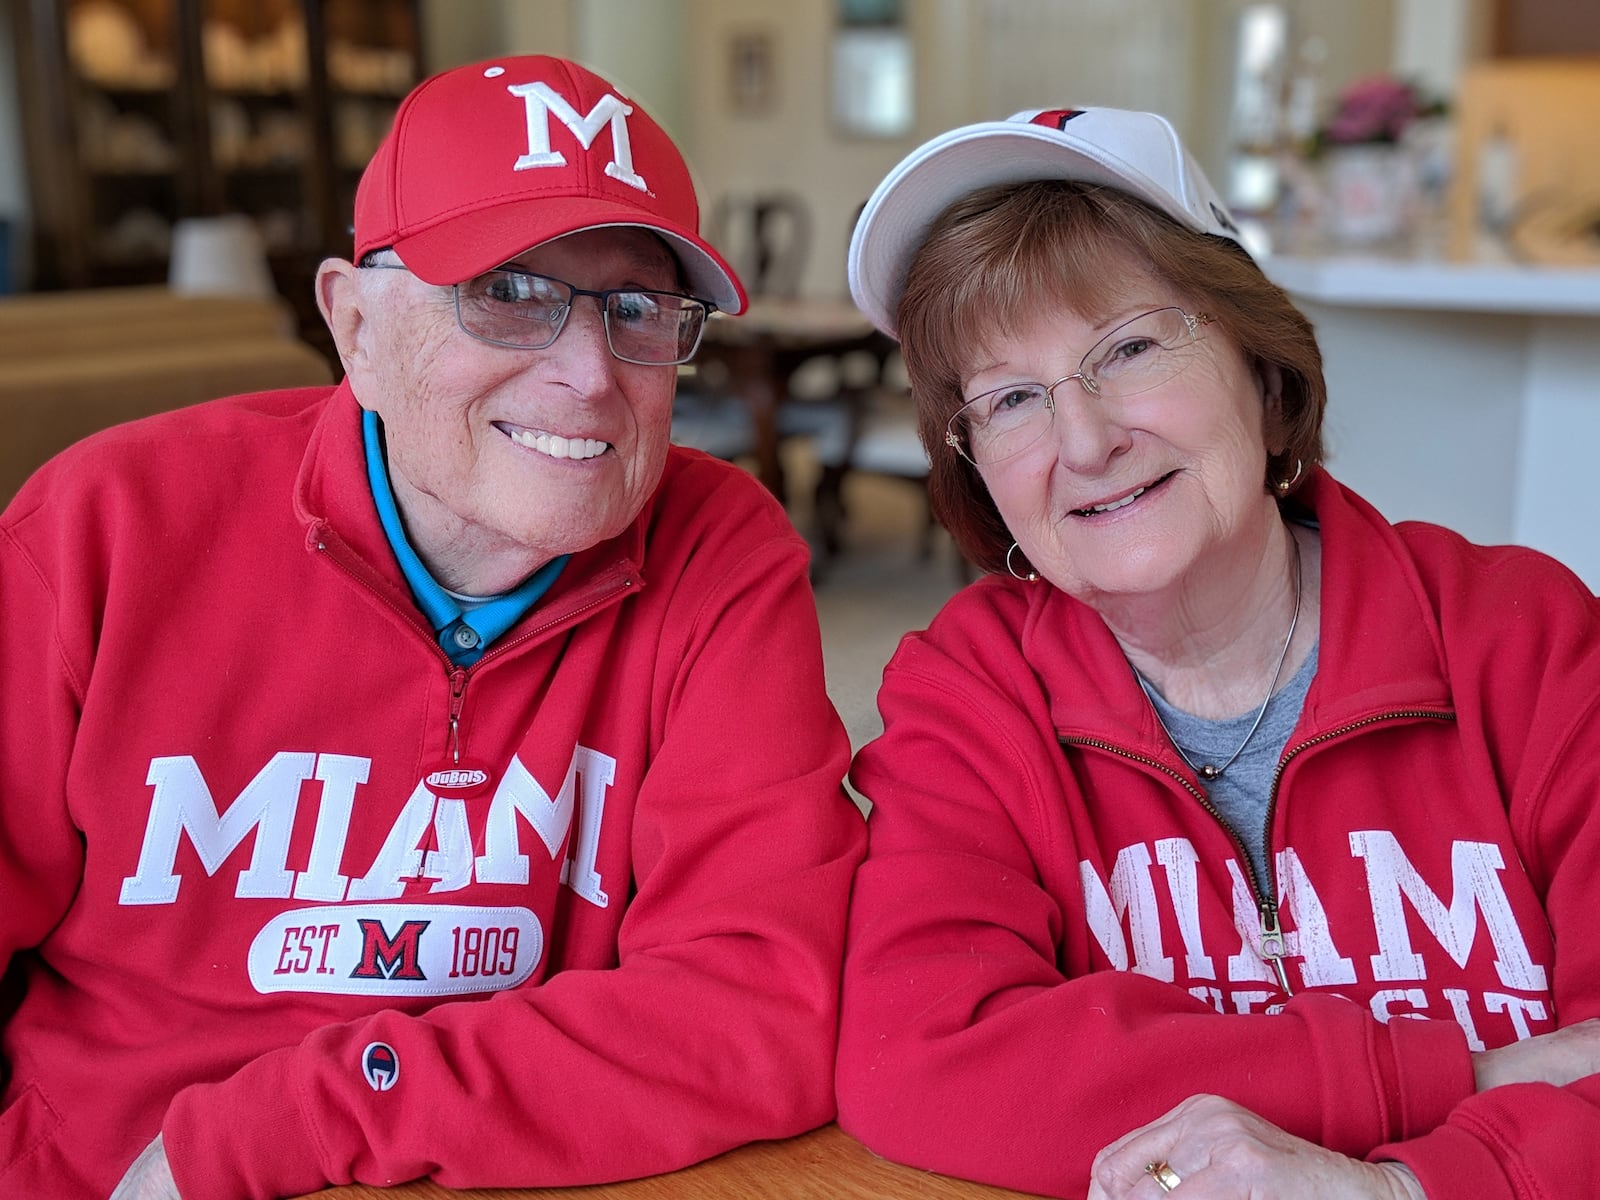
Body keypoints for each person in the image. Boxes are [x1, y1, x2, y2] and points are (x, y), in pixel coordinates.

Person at [0, 54, 865, 1200]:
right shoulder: (103, 530)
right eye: (507, 293)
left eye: (637, 311)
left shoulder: (717, 552)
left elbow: (767, 1005)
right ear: (353, 326)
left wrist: (293, 1121)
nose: (588, 376)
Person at [833, 105, 1600, 1199]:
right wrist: (1460, 1073)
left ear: (1262, 372)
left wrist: (1394, 1190)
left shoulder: (1525, 640)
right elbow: (916, 1063)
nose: (1085, 442)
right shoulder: (970, 691)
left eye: (1130, 348)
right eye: (1009, 400)